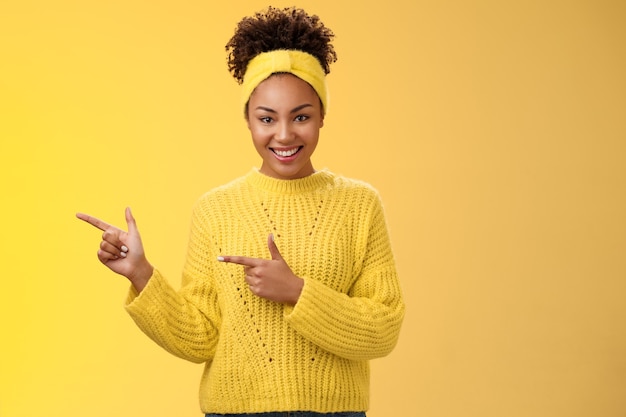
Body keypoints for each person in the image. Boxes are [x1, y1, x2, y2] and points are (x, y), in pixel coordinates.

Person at [77, 6, 404, 417]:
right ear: (248, 120)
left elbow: (384, 327)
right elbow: (201, 338)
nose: (284, 134)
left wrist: (297, 292)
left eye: (301, 116)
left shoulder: (360, 205)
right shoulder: (216, 209)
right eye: (267, 118)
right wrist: (141, 274)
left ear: (322, 115)